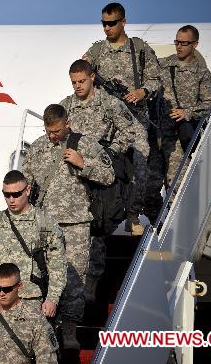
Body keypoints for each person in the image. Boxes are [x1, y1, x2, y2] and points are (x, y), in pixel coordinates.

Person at [22, 104, 114, 350]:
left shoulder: (83, 144)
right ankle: (44, 332)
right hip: (45, 224)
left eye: (57, 131)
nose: (52, 136)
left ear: (67, 123)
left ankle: (70, 332)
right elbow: (26, 180)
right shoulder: (38, 147)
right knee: (43, 277)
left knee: (73, 280)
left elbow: (108, 175)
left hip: (76, 225)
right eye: (48, 131)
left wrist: (83, 164)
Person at [59, 59, 136, 303]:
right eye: (73, 83)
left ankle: (91, 283)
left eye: (81, 81)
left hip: (98, 174)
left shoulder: (109, 103)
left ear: (92, 77)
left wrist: (109, 154)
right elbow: (55, 134)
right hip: (71, 176)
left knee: (96, 228)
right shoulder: (66, 106)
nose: (77, 86)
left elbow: (129, 132)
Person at [83, 2, 162, 234]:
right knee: (101, 164)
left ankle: (133, 215)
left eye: (111, 23)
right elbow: (81, 72)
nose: (107, 28)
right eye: (103, 24)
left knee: (140, 166)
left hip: (135, 119)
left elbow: (156, 79)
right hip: (106, 121)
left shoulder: (138, 48)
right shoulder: (97, 51)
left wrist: (142, 92)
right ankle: (99, 216)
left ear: (123, 22)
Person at [0, 170, 67, 320]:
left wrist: (52, 298)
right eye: (7, 195)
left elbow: (57, 266)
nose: (11, 199)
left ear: (27, 190)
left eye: (16, 194)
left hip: (30, 299)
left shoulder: (45, 223)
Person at [158, 25, 211, 188]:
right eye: (176, 42)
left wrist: (188, 112)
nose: (179, 46)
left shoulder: (201, 73)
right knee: (148, 192)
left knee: (175, 185)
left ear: (195, 44)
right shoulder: (163, 65)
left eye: (184, 43)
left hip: (179, 139)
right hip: (157, 135)